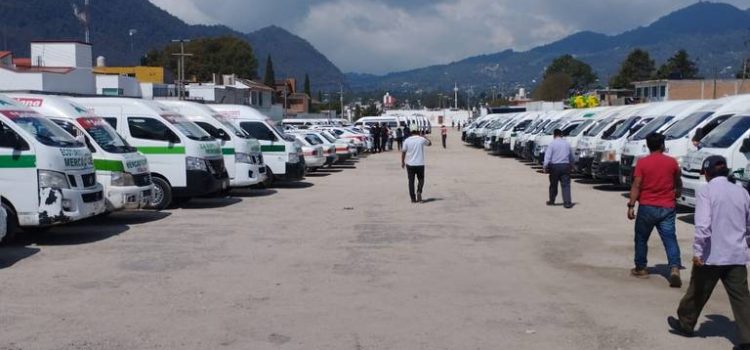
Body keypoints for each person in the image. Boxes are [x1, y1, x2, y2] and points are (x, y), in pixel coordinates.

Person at [667, 155, 750, 349]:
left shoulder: (706, 192)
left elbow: (703, 226)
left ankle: (686, 324)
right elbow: (748, 225)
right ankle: (747, 340)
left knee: (697, 290)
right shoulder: (742, 193)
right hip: (736, 255)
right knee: (742, 297)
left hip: (712, 255)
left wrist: (698, 251)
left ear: (707, 173)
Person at [627, 133, 683, 288]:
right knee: (670, 238)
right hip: (667, 207)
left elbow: (637, 185)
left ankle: (641, 268)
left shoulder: (642, 163)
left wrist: (631, 205)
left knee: (641, 238)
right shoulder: (672, 162)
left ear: (648, 145)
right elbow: (678, 181)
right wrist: (677, 192)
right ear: (662, 145)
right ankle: (674, 268)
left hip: (647, 207)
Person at [543, 129, 574, 209]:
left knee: (553, 185)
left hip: (554, 167)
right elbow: (571, 157)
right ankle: (567, 203)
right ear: (561, 135)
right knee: (566, 185)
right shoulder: (567, 144)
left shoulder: (552, 144)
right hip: (565, 166)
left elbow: (547, 157)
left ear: (554, 135)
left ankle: (552, 201)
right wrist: (572, 165)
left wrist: (545, 167)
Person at [401, 130, 432, 203]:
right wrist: (423, 136)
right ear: (418, 131)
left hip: (410, 164)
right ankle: (419, 191)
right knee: (421, 179)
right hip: (420, 163)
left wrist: (402, 162)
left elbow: (403, 152)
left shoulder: (407, 140)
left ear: (411, 132)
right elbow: (430, 143)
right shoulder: (421, 139)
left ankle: (413, 198)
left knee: (411, 181)